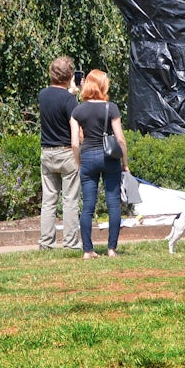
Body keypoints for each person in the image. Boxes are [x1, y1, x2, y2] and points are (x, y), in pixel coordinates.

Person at [70, 69, 128, 259]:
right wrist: (125, 163)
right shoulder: (111, 108)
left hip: (87, 156)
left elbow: (74, 143)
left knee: (88, 206)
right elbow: (120, 139)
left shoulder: (77, 111)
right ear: (103, 85)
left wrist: (79, 162)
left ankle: (87, 250)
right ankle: (111, 249)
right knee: (113, 205)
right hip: (109, 158)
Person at [37, 56, 81, 251]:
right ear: (70, 76)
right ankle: (71, 243)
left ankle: (46, 243)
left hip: (47, 152)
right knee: (70, 200)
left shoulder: (42, 95)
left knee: (49, 201)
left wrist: (69, 91)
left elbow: (56, 99)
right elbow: (75, 130)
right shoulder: (70, 100)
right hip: (66, 152)